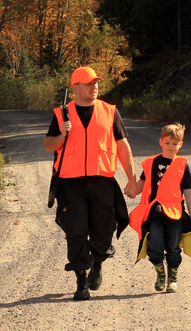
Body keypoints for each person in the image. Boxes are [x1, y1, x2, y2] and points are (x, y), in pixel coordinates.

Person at [44, 66, 137, 301]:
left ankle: (98, 262)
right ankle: (81, 280)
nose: (94, 87)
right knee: (76, 232)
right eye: (88, 84)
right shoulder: (61, 114)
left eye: (96, 83)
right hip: (70, 184)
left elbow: (123, 147)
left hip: (102, 182)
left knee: (104, 231)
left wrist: (132, 178)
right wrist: (63, 134)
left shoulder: (109, 111)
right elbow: (49, 145)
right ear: (75, 87)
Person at [129, 123, 191, 293]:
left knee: (173, 248)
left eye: (175, 144)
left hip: (175, 215)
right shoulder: (153, 162)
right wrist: (133, 190)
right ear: (161, 142)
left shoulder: (182, 165)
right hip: (155, 214)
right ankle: (160, 273)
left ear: (180, 145)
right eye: (167, 143)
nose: (171, 147)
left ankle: (172, 278)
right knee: (155, 246)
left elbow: (189, 191)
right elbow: (143, 182)